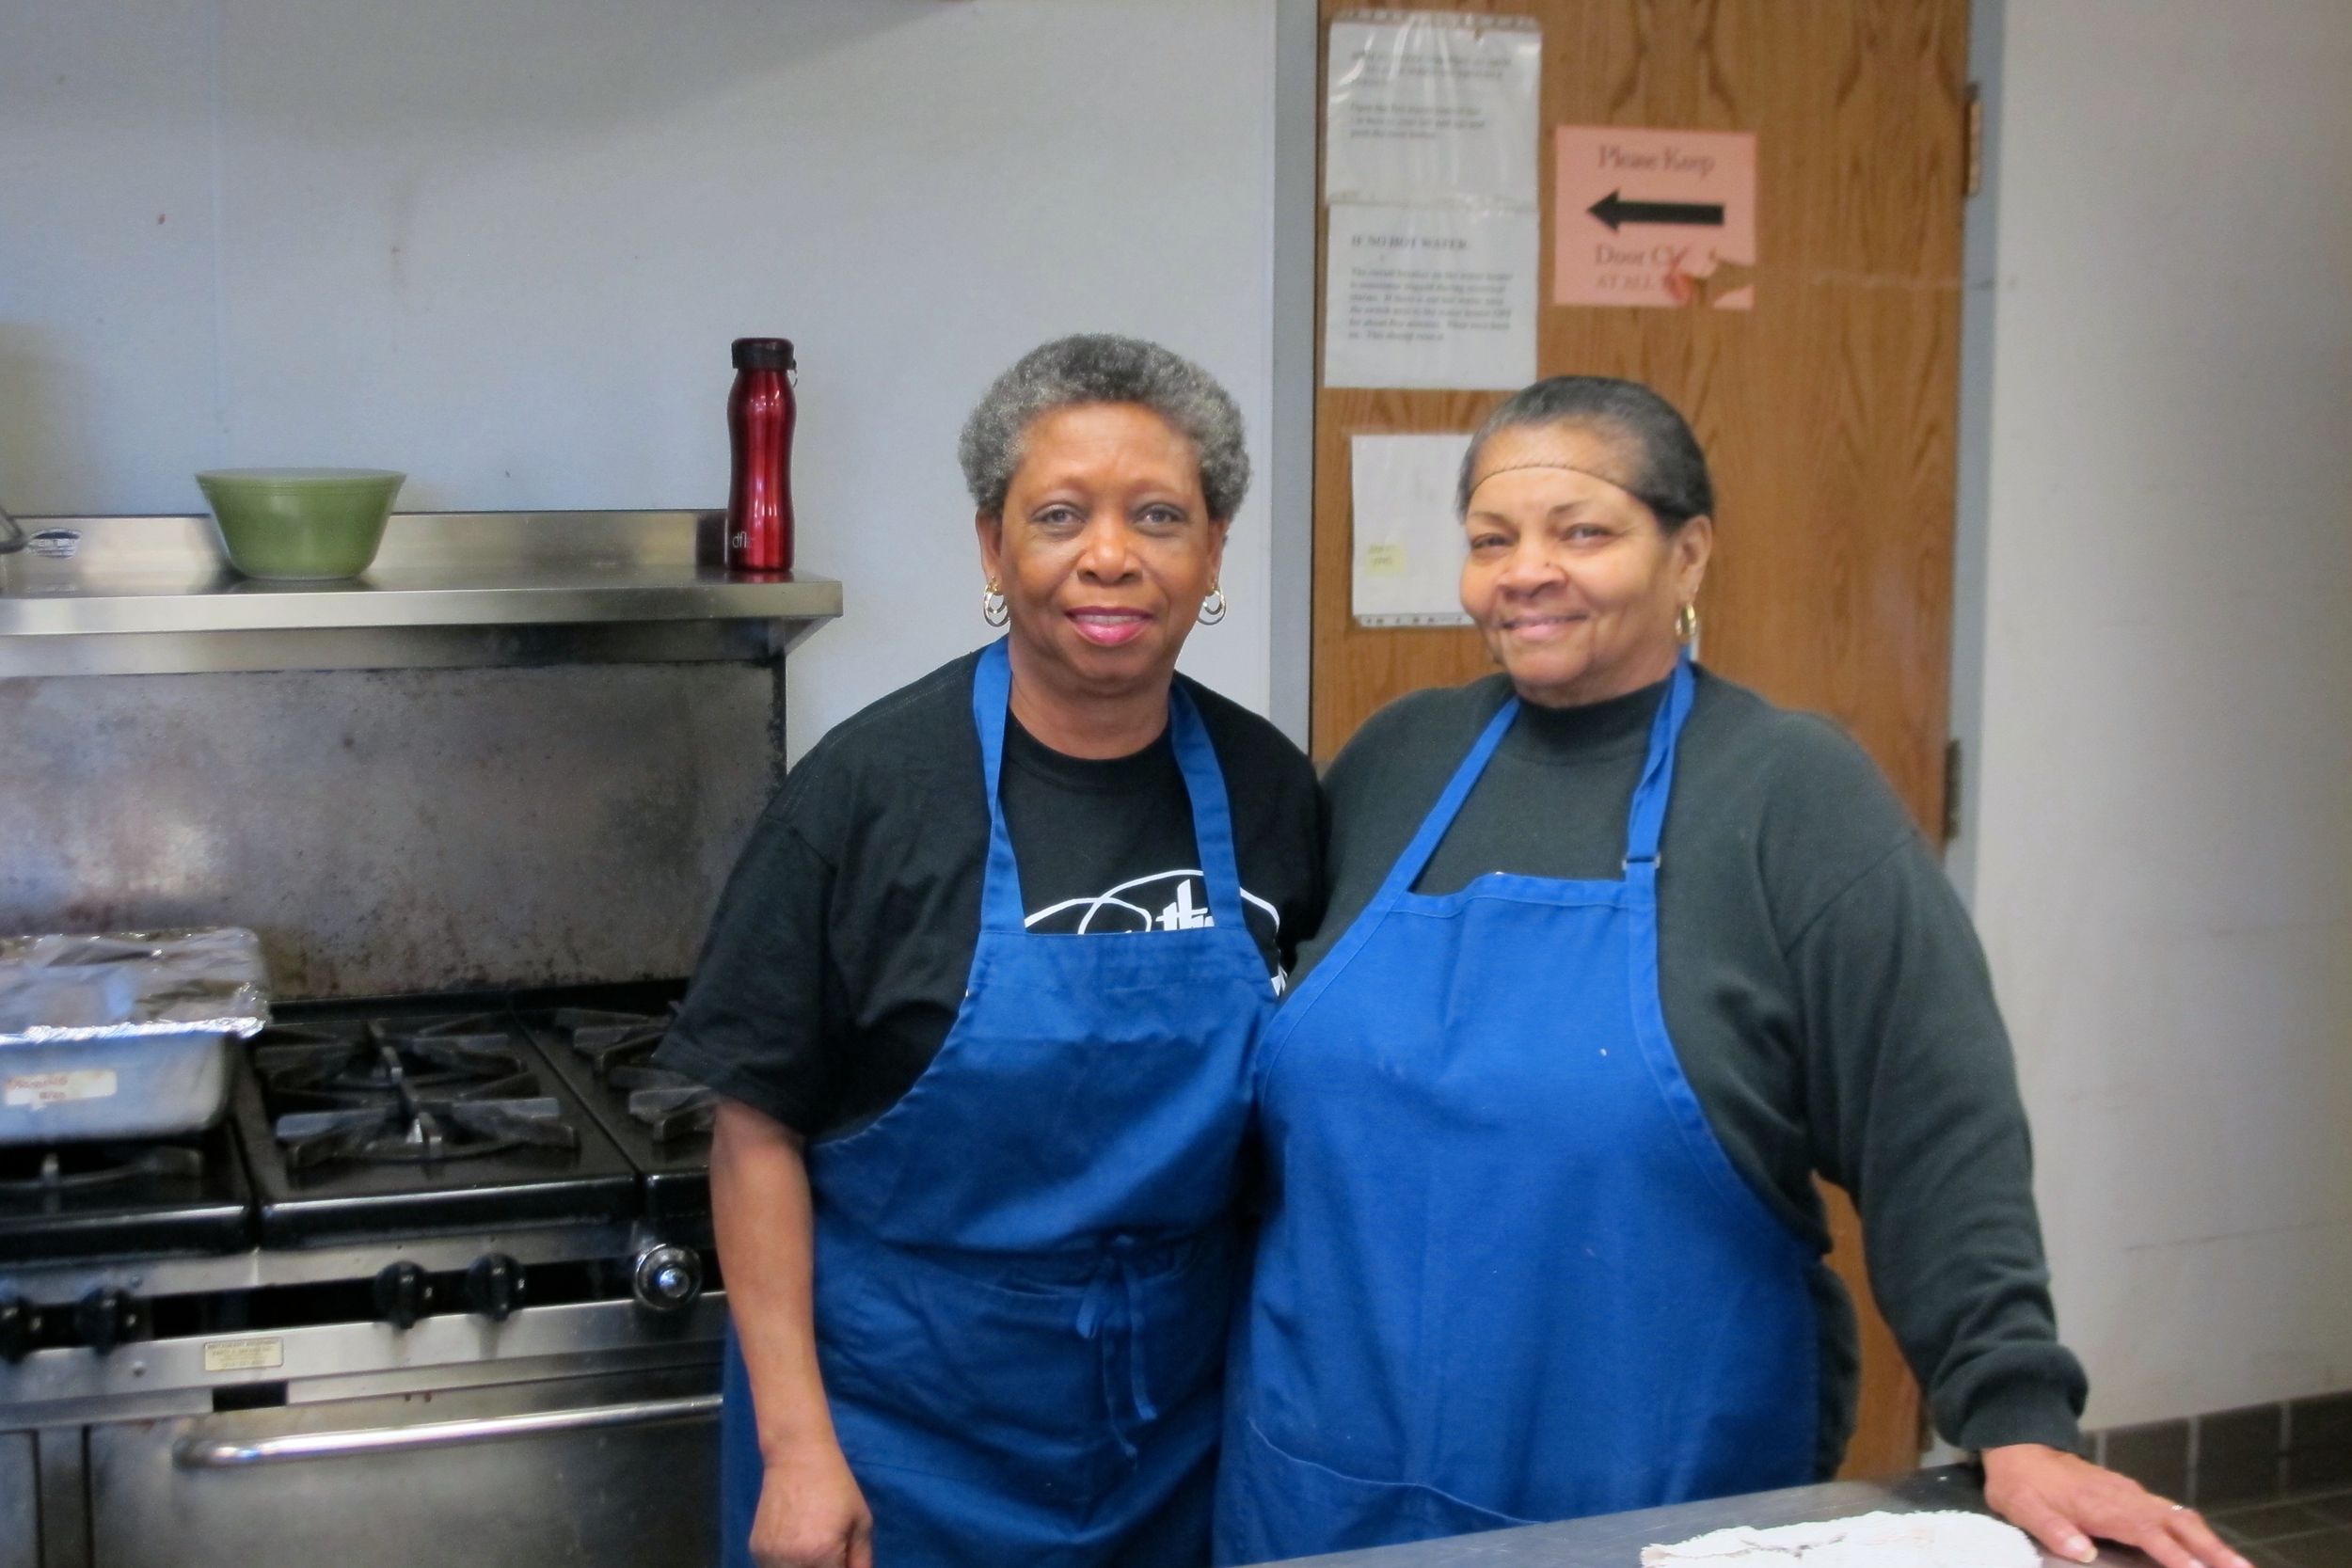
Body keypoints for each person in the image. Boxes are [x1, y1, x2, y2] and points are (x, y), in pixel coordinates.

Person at [1213, 377, 2245, 1568]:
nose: (1525, 571)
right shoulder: (1399, 758)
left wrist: (2014, 1413)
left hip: (1653, 1492)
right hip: (1327, 1482)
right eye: (1491, 540)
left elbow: (1934, 1119)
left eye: (1581, 531)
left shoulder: (1788, 792)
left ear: (1688, 552)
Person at [659, 335, 1323, 1568]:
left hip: (1174, 1438)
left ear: (1215, 549)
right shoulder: (865, 795)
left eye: (1159, 514)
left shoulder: (1272, 787)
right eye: (1060, 514)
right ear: (991, 547)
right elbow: (753, 1132)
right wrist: (799, 1452)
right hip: (896, 1431)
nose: (1110, 555)